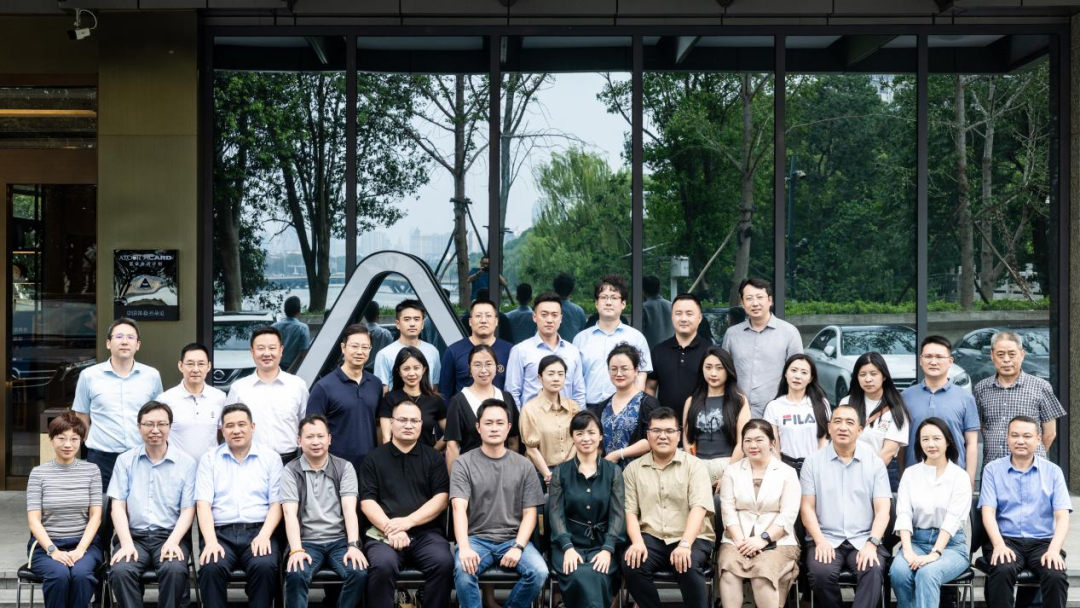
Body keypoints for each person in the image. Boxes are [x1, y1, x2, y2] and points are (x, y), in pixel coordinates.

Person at [72, 317, 163, 543]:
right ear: (108, 343)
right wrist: (88, 444)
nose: (124, 341)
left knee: (138, 510)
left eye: (130, 337)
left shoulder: (151, 376)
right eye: (119, 336)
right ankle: (99, 556)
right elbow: (82, 416)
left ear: (138, 345)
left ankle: (130, 556)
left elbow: (157, 416)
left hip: (139, 456)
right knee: (100, 512)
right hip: (101, 457)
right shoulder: (89, 376)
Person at [450, 399, 548, 608]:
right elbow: (458, 508)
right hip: (476, 539)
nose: (494, 428)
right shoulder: (463, 463)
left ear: (509, 427)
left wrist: (518, 546)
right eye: (488, 423)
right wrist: (464, 548)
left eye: (499, 423)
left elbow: (530, 514)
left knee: (539, 572)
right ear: (478, 427)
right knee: (463, 572)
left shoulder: (524, 465)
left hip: (512, 539)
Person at [361, 400, 455, 608]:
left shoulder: (433, 458)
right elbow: (367, 502)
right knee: (382, 565)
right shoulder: (373, 458)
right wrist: (391, 529)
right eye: (403, 420)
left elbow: (441, 499)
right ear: (391, 423)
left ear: (421, 424)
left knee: (443, 563)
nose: (409, 425)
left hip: (426, 534)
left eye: (414, 421)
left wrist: (408, 522)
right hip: (383, 534)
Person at [622, 406, 715, 608]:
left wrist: (685, 544)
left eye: (669, 431)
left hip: (692, 537)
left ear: (678, 435)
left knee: (687, 564)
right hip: (652, 536)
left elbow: (699, 508)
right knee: (632, 564)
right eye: (656, 430)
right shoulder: (633, 469)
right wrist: (637, 542)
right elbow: (630, 511)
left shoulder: (695, 466)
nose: (662, 436)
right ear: (648, 435)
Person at [800, 404, 892, 608]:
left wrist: (872, 543)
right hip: (825, 538)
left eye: (850, 422)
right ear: (829, 427)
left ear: (859, 430)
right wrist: (820, 541)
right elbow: (807, 508)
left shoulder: (874, 463)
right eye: (838, 421)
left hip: (864, 538)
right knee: (820, 573)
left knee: (872, 569)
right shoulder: (812, 462)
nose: (843, 427)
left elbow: (883, 510)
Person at [107, 401, 197, 608]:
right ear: (139, 427)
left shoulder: (186, 463)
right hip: (133, 536)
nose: (155, 430)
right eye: (149, 424)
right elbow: (117, 506)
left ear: (170, 426)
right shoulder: (125, 461)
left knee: (174, 570)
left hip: (169, 536)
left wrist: (173, 541)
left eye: (161, 424)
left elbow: (188, 510)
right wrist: (126, 543)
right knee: (121, 571)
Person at [195, 403, 283, 608]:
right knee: (211, 567)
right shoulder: (209, 460)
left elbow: (276, 504)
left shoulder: (271, 458)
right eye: (230, 426)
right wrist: (210, 541)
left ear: (252, 426)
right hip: (221, 534)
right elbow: (203, 505)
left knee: (264, 566)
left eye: (242, 424)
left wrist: (264, 535)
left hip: (259, 531)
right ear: (222, 430)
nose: (236, 430)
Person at [979, 415, 1071, 608]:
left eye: (1027, 436)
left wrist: (1054, 550)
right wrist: (999, 545)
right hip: (1006, 540)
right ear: (1007, 438)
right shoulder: (992, 470)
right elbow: (988, 512)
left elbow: (1062, 517)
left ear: (1038, 439)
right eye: (1015, 435)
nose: (1020, 441)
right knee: (1002, 569)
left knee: (1055, 574)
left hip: (1043, 542)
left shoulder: (1053, 471)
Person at [282, 415, 368, 608]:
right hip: (306, 542)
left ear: (329, 439)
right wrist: (296, 550)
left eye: (320, 436)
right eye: (309, 437)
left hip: (339, 541)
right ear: (299, 441)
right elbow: (289, 513)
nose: (315, 442)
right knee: (296, 573)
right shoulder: (291, 470)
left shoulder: (344, 467)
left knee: (358, 572)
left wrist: (353, 545)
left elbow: (349, 509)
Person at [717, 419, 801, 608]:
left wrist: (763, 539)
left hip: (778, 541)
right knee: (729, 572)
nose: (753, 445)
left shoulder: (787, 473)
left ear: (772, 442)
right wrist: (741, 542)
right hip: (736, 539)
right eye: (747, 440)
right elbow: (728, 512)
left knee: (762, 574)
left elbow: (788, 516)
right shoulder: (731, 471)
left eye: (759, 440)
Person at [890, 417, 973, 608]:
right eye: (925, 439)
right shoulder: (910, 474)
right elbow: (903, 514)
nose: (931, 444)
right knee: (899, 572)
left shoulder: (960, 476)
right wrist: (908, 551)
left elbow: (953, 519)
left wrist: (935, 553)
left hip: (951, 546)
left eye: (936, 438)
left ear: (948, 441)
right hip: (916, 541)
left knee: (928, 573)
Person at [547, 410, 625, 608]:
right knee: (577, 573)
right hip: (568, 543)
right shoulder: (560, 472)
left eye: (591, 432)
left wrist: (608, 549)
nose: (586, 438)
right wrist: (567, 547)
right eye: (579, 433)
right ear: (572, 437)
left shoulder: (613, 471)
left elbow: (618, 514)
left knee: (599, 573)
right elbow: (556, 514)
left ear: (601, 436)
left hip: (603, 543)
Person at [26, 412, 104, 608]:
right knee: (59, 575)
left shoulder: (92, 471)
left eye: (74, 439)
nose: (68, 444)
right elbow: (34, 520)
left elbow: (95, 516)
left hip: (84, 544)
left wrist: (81, 549)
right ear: (51, 440)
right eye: (61, 438)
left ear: (81, 441)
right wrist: (52, 550)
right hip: (46, 546)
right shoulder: (38, 474)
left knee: (81, 574)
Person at [973, 330, 1065, 464]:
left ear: (1022, 354)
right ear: (992, 355)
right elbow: (981, 428)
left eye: (1012, 354)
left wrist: (1031, 457)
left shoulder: (1041, 386)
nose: (1006, 360)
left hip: (1031, 468)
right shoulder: (981, 388)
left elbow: (1050, 433)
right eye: (1000, 354)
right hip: (993, 467)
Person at [901, 335, 980, 487]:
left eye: (939, 357)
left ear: (950, 361)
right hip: (915, 480)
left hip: (954, 481)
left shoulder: (965, 398)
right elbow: (902, 443)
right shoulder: (906, 397)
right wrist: (902, 475)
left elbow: (971, 443)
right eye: (928, 356)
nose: (933, 362)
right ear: (921, 360)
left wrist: (969, 481)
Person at [306, 323, 383, 472]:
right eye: (354, 346)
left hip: (369, 467)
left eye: (365, 347)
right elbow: (311, 431)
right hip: (335, 468)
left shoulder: (375, 384)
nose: (359, 352)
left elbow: (379, 424)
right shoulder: (324, 387)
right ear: (343, 348)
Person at [722, 278, 803, 417]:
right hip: (738, 412)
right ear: (742, 303)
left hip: (778, 414)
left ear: (770, 300)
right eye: (749, 298)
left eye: (760, 297)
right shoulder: (732, 334)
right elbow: (724, 372)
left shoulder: (789, 333)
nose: (755, 303)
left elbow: (799, 374)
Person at [574, 274, 653, 408]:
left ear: (623, 304)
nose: (608, 302)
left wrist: (633, 408)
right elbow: (576, 379)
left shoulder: (636, 338)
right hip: (589, 409)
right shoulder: (580, 339)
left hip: (625, 408)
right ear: (596, 303)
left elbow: (640, 375)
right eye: (604, 297)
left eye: (614, 298)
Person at [839, 352, 910, 491]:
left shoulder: (896, 408)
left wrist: (861, 476)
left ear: (884, 376)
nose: (868, 379)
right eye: (862, 374)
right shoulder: (847, 402)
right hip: (845, 469)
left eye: (873, 374)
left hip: (883, 471)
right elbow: (837, 440)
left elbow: (889, 452)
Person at [682, 346, 750, 489]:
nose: (713, 373)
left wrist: (728, 475)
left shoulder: (739, 401)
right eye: (708, 367)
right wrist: (694, 470)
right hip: (698, 466)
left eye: (719, 368)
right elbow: (687, 440)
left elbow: (742, 442)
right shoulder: (691, 401)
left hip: (729, 465)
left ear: (728, 370)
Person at [445, 344, 520, 472]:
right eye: (477, 365)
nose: (483, 370)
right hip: (471, 472)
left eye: (488, 364)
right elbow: (452, 446)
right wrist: (455, 480)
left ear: (497, 367)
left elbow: (513, 440)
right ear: (469, 369)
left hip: (504, 471)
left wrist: (513, 472)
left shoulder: (506, 398)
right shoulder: (458, 401)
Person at [505, 291, 587, 407]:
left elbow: (578, 393)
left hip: (567, 417)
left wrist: (580, 417)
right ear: (534, 317)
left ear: (561, 318)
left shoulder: (572, 351)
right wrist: (521, 418)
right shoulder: (520, 350)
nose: (549, 320)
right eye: (544, 315)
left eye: (554, 315)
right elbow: (512, 392)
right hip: (532, 417)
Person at [590, 343, 660, 469]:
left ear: (636, 371)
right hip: (608, 473)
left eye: (624, 368)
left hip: (638, 472)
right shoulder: (603, 406)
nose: (618, 373)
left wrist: (619, 454)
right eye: (613, 369)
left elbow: (653, 439)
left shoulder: (648, 403)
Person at [646, 293, 712, 426]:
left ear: (699, 318)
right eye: (678, 313)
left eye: (689, 314)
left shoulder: (710, 352)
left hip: (700, 425)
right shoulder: (658, 351)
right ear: (672, 317)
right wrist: (653, 416)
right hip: (665, 427)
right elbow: (650, 388)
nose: (683, 318)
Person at [156, 342, 226, 462]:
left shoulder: (219, 397)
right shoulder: (165, 399)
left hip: (210, 466)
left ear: (209, 366)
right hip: (176, 466)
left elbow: (221, 431)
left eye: (201, 364)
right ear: (180, 366)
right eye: (190, 364)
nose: (195, 369)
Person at [764, 354, 831, 474]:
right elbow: (773, 445)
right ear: (785, 373)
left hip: (815, 466)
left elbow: (824, 439)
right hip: (785, 466)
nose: (798, 376)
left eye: (804, 372)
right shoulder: (774, 406)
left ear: (811, 378)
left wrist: (819, 466)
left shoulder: (821, 403)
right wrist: (780, 470)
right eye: (794, 370)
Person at [520, 355, 581, 485]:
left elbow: (578, 439)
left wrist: (566, 470)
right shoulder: (529, 409)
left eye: (560, 374)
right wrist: (549, 475)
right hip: (540, 473)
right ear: (540, 377)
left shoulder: (573, 407)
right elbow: (531, 449)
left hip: (571, 470)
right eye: (550, 374)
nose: (556, 378)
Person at [441, 299, 514, 401]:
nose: (483, 320)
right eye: (478, 316)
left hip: (499, 409)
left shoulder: (510, 351)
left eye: (488, 316)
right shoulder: (453, 351)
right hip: (464, 410)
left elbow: (514, 389)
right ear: (470, 321)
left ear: (496, 321)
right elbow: (445, 392)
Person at [378, 346, 446, 449]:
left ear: (424, 369)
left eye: (416, 368)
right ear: (399, 371)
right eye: (406, 369)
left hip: (426, 458)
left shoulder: (435, 400)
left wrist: (434, 451)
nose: (412, 373)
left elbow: (450, 432)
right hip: (396, 456)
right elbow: (386, 438)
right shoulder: (389, 399)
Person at [374, 299, 442, 392]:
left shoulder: (433, 351)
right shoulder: (384, 354)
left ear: (422, 324)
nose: (412, 324)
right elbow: (382, 390)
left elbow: (434, 386)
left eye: (416, 319)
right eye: (407, 319)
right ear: (397, 324)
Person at [273, 295, 311, 371]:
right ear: (299, 311)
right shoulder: (303, 328)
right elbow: (302, 354)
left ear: (285, 310)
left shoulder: (273, 327)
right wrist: (289, 371)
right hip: (294, 369)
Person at [641, 275, 674, 348]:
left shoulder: (644, 308)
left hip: (650, 351)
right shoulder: (671, 306)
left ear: (643, 290)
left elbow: (639, 333)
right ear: (659, 289)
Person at [363, 300, 394, 373]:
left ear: (364, 315)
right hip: (380, 372)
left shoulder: (358, 333)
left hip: (361, 372)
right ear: (378, 314)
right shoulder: (386, 333)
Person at [554, 273, 587, 342]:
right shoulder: (579, 311)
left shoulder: (547, 309)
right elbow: (584, 332)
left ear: (555, 289)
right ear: (571, 290)